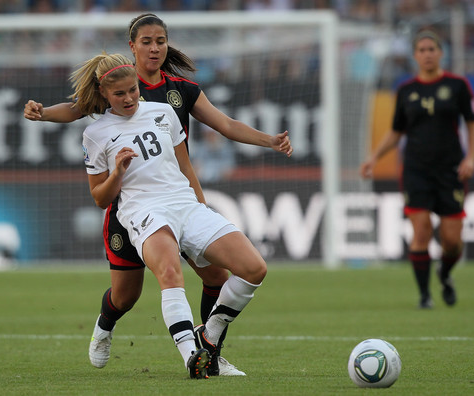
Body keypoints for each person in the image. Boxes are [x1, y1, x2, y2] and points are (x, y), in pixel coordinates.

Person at [24, 13, 292, 376]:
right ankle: (105, 326)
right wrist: (42, 115)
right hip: (130, 211)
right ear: (131, 46)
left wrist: (267, 141)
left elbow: (208, 141)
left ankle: (208, 353)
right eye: (146, 41)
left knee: (216, 275)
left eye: (160, 41)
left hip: (178, 202)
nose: (154, 48)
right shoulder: (109, 97)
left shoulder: (176, 96)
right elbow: (75, 109)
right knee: (126, 296)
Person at [76, 52, 268, 379]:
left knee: (254, 268)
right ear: (104, 94)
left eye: (133, 90)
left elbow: (184, 165)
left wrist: (201, 205)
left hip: (185, 204)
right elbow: (99, 198)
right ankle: (191, 356)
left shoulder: (164, 112)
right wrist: (118, 173)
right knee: (149, 283)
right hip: (143, 211)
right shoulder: (97, 134)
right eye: (119, 94)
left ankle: (210, 333)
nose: (129, 98)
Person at [359, 29, 474, 309]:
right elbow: (396, 131)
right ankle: (425, 296)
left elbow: (473, 124)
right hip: (415, 170)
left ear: (441, 53)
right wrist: (374, 157)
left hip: (451, 170)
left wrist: (471, 158)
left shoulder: (457, 86)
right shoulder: (406, 90)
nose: (427, 54)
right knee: (421, 230)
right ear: (415, 56)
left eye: (432, 49)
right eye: (422, 50)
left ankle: (445, 274)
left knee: (452, 241)